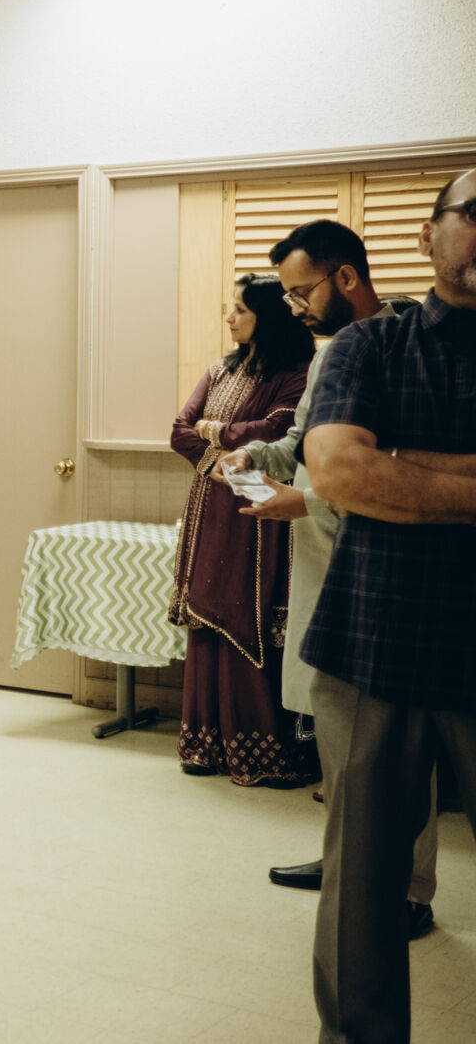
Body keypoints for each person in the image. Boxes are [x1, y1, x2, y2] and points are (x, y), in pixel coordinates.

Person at [218, 220, 435, 938]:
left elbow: (393, 471)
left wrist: (303, 501)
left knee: (399, 747)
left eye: (301, 292)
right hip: (321, 564)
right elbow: (301, 444)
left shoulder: (410, 347)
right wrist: (255, 458)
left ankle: (409, 889)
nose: (294, 308)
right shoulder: (329, 355)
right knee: (338, 737)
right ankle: (346, 862)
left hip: (388, 572)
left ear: (345, 277)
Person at [303, 169, 476, 1043]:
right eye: (475, 213)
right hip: (375, 645)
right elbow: (339, 470)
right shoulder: (368, 347)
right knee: (362, 894)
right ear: (428, 233)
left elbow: (372, 471)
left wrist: (404, 464)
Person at [167, 273, 317, 785]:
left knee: (247, 611)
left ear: (267, 318)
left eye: (241, 310)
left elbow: (276, 432)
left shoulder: (298, 373)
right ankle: (205, 746)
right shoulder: (220, 369)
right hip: (212, 502)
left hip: (261, 508)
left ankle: (261, 751)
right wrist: (221, 452)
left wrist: (215, 432)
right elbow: (179, 431)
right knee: (207, 610)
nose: (229, 318)